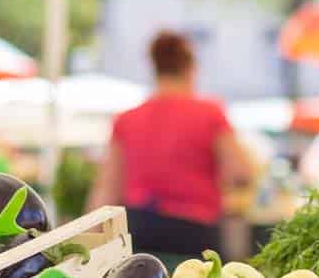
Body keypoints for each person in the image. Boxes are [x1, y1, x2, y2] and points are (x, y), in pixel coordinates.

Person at [88, 30, 252, 255]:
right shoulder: (210, 114)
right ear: (190, 69)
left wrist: (89, 243)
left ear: (155, 68)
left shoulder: (127, 119)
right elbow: (240, 173)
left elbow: (107, 189)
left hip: (140, 231)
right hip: (195, 233)